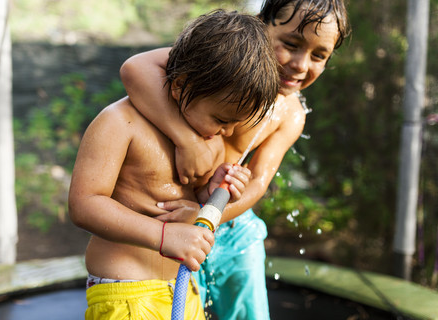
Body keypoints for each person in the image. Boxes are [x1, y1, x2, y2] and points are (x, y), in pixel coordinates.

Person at [119, 0, 351, 319]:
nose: (300, 64)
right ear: (261, 24)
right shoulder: (223, 65)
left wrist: (207, 216)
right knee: (179, 308)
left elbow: (256, 182)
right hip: (177, 219)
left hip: (231, 225)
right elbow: (135, 68)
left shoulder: (291, 114)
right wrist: (186, 139)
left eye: (318, 55)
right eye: (291, 44)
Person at [68, 10, 279, 320]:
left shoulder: (207, 140)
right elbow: (83, 204)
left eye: (235, 124)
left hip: (183, 290)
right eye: (221, 120)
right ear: (180, 86)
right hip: (127, 295)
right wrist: (164, 236)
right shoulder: (120, 123)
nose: (228, 133)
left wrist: (211, 193)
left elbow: (186, 203)